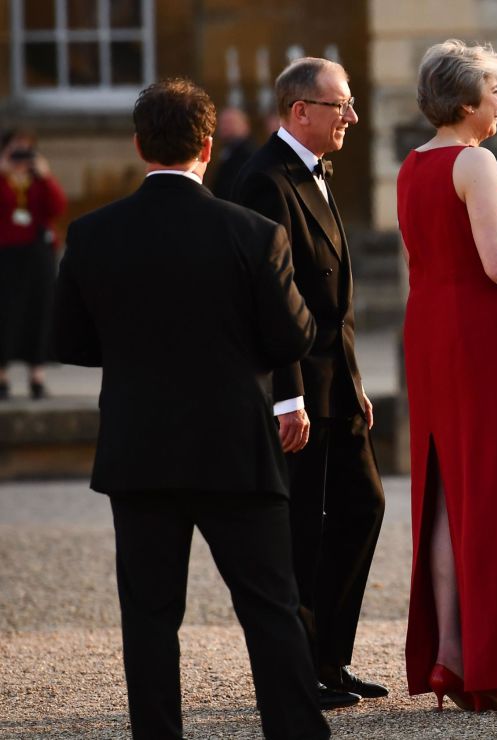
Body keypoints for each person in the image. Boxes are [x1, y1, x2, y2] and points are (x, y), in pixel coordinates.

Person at [51, 77, 327, 740]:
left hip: (139, 447)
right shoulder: (254, 233)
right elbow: (293, 337)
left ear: (140, 144)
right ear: (207, 145)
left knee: (148, 617)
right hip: (233, 444)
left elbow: (70, 343)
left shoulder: (91, 234)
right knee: (270, 610)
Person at [397, 39, 497, 713]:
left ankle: (449, 656)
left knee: (442, 493)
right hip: (477, 338)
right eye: (494, 91)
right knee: (487, 492)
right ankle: (487, 665)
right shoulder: (475, 161)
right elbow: (496, 267)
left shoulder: (411, 165)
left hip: (428, 331)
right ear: (466, 101)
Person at [233, 57, 387, 709]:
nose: (352, 116)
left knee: (362, 509)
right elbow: (273, 299)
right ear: (301, 112)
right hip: (301, 396)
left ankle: (330, 657)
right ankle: (298, 674)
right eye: (340, 105)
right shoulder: (266, 181)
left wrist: (355, 383)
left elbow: (335, 303)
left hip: (337, 387)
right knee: (301, 532)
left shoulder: (317, 171)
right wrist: (287, 395)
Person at [0, 128, 67, 400]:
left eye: (27, 149)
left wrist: (46, 175)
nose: (22, 156)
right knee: (5, 312)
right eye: (17, 149)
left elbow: (58, 206)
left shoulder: (38, 180)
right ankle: (2, 375)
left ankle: (36, 375)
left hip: (37, 254)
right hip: (6, 253)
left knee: (39, 311)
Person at [210, 106, 256, 201]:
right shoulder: (228, 151)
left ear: (245, 126)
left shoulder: (249, 155)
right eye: (222, 123)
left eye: (230, 122)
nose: (224, 127)